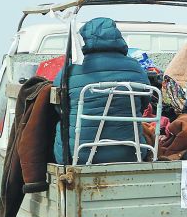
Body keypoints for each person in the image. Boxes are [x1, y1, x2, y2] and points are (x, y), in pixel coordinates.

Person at [53, 17, 150, 164]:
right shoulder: (135, 67)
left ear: (82, 39)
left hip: (77, 156)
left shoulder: (69, 70)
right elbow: (143, 104)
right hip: (131, 152)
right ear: (117, 38)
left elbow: (59, 108)